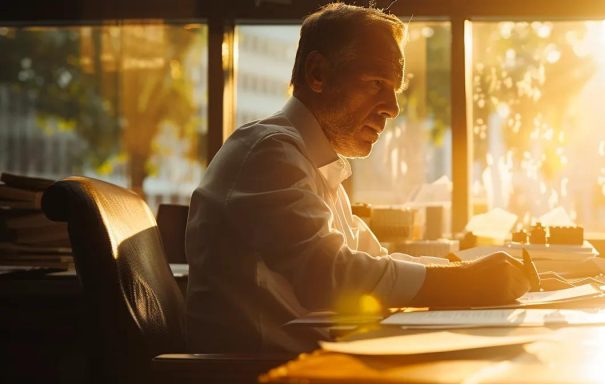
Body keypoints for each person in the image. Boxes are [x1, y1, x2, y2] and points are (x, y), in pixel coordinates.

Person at [185, 3, 530, 353]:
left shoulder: (311, 162)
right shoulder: (267, 153)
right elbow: (331, 276)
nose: (392, 108)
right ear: (317, 73)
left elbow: (375, 263)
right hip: (261, 372)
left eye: (395, 89)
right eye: (377, 83)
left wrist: (476, 271)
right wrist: (466, 281)